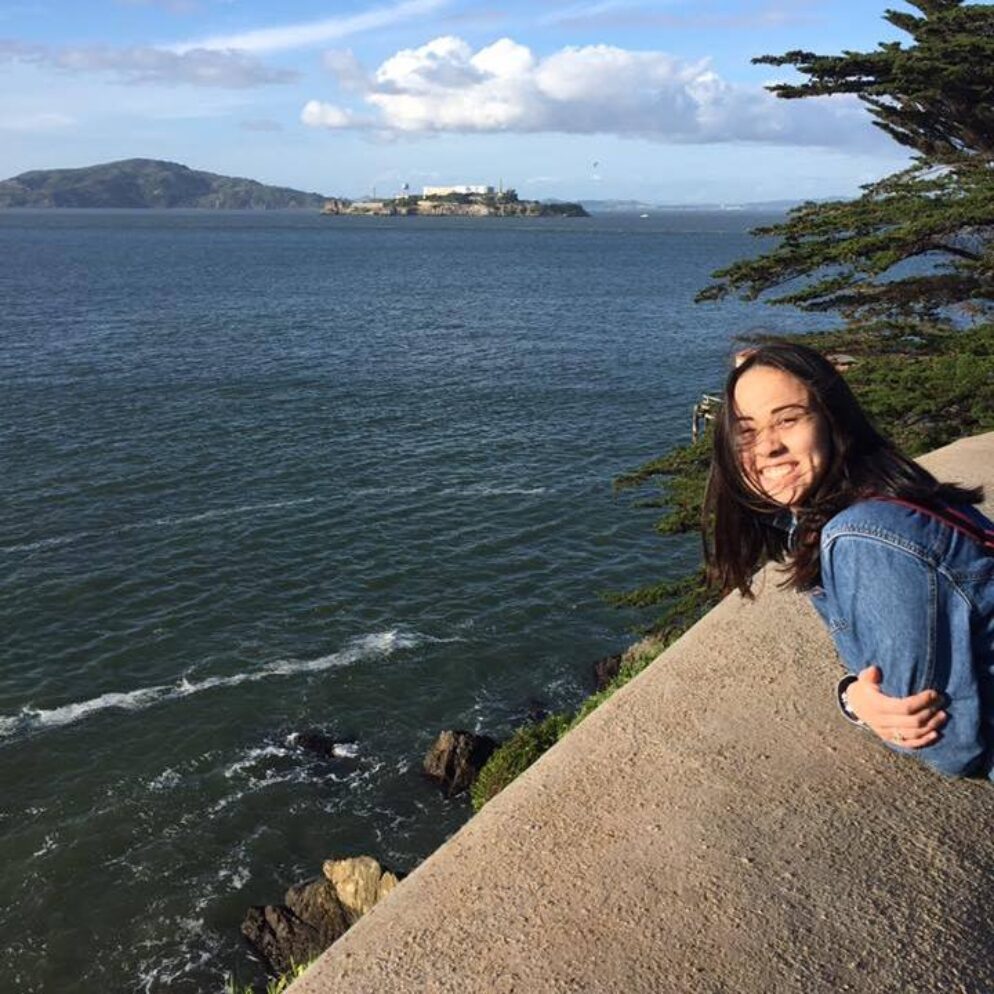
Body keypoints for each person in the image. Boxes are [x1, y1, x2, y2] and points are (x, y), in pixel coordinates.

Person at [703, 341, 994, 777]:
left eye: (787, 419)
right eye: (747, 430)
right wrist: (854, 692)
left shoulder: (862, 535)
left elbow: (946, 744)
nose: (767, 447)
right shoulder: (883, 497)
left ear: (833, 421)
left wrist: (855, 701)